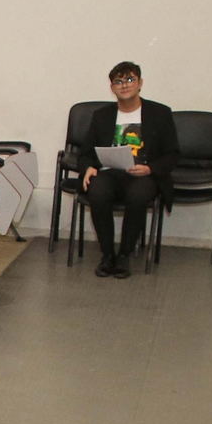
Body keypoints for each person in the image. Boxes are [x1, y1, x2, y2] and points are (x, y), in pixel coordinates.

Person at [77, 62, 178, 279]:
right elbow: (85, 152)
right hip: (109, 172)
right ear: (112, 87)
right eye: (119, 82)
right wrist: (87, 168)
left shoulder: (160, 113)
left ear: (140, 83)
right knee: (97, 192)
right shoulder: (102, 115)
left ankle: (124, 254)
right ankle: (107, 255)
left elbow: (172, 154)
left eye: (130, 80)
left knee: (138, 195)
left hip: (143, 174)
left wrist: (150, 168)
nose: (125, 86)